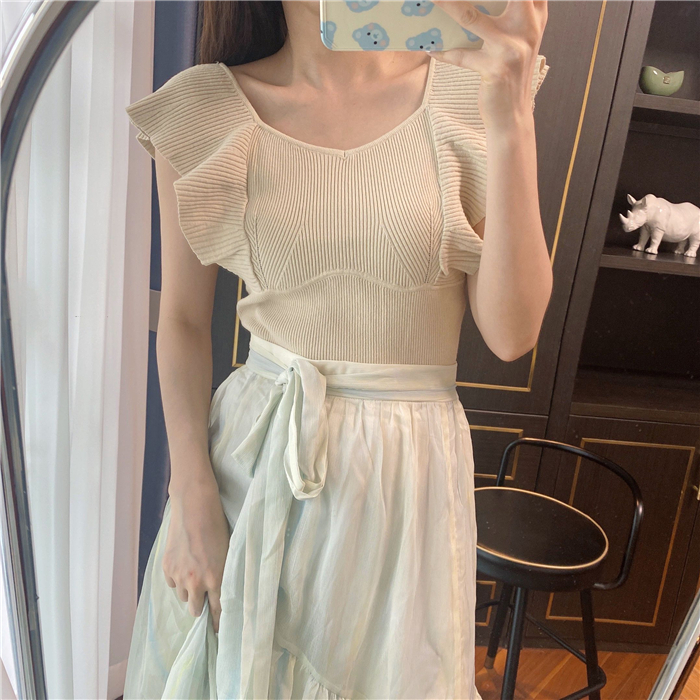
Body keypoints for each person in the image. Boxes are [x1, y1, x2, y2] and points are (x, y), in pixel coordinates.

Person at [122, 0, 552, 698]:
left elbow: (512, 334)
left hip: (404, 488)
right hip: (250, 472)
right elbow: (182, 322)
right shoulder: (207, 110)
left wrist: (512, 123)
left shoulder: (470, 94)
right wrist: (191, 494)